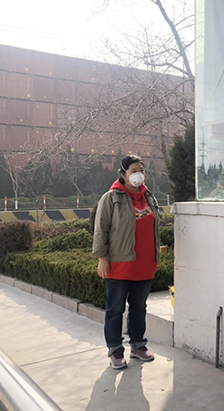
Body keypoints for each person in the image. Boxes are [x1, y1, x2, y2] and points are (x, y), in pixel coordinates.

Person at [92, 155, 161, 370]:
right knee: (115, 309)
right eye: (133, 171)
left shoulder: (148, 196)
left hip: (144, 264)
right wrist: (102, 259)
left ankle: (138, 345)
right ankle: (115, 350)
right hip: (120, 265)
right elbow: (101, 230)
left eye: (141, 170)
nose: (138, 174)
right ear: (123, 174)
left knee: (139, 307)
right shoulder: (111, 198)